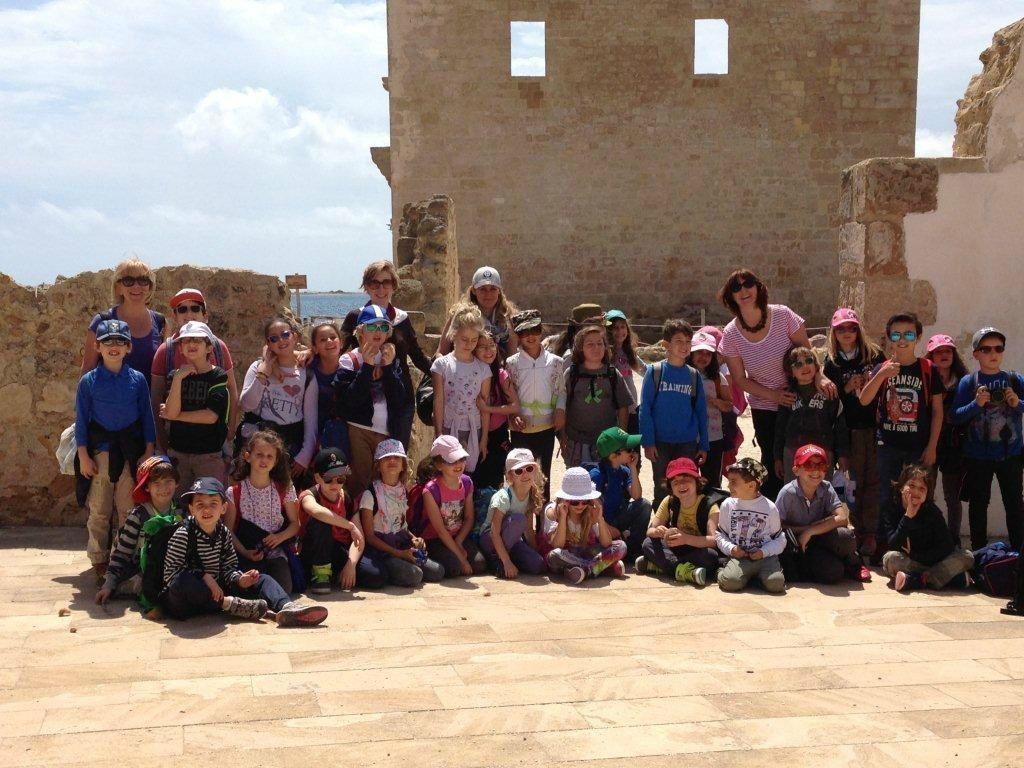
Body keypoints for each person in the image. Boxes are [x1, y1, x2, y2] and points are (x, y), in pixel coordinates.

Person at [719, 269, 834, 500]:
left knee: (807, 460)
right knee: (773, 464)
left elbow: (807, 352)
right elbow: (740, 379)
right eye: (736, 287)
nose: (743, 291)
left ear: (758, 287)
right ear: (730, 296)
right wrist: (775, 396)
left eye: (748, 284)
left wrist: (820, 377)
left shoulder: (783, 315)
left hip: (802, 400)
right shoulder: (731, 334)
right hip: (765, 407)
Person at [160, 477, 328, 626]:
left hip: (216, 595)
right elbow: (171, 575)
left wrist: (240, 580)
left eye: (213, 504)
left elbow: (228, 568)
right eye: (200, 505)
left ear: (223, 508)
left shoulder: (223, 533)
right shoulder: (183, 534)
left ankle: (286, 607)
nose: (207, 510)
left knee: (262, 578)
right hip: (186, 602)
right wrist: (204, 576)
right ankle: (230, 604)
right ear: (191, 509)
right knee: (184, 582)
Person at [75, 319, 156, 581]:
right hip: (101, 454)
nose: (114, 346)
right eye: (107, 341)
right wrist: (83, 455)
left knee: (127, 509)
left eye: (120, 341)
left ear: (128, 347)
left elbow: (147, 417)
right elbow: (81, 421)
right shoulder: (88, 382)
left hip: (129, 454)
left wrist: (148, 451)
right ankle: (99, 559)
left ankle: (123, 558)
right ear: (97, 347)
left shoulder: (137, 380)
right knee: (99, 509)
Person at [859, 312, 944, 551]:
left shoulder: (928, 369)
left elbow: (937, 411)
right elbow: (864, 399)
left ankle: (917, 547)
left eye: (908, 334)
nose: (902, 340)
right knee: (887, 496)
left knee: (918, 496)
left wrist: (932, 447)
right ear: (889, 338)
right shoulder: (883, 368)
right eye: (896, 335)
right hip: (888, 444)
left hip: (918, 446)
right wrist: (882, 374)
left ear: (917, 337)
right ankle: (887, 547)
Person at [340, 261, 433, 447]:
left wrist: (444, 371)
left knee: (396, 457)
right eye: (374, 283)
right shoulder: (355, 317)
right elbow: (338, 349)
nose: (381, 288)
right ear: (367, 287)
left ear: (394, 286)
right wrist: (308, 354)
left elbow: (417, 356)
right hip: (366, 403)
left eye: (386, 282)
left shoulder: (402, 319)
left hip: (399, 401)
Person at [952, 327, 1024, 551]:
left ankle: (1019, 554)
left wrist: (1017, 403)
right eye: (986, 349)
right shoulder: (969, 382)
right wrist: (976, 404)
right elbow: (955, 416)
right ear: (976, 354)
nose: (993, 353)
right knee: (978, 506)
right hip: (977, 456)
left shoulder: (1014, 379)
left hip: (1010, 455)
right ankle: (979, 554)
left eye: (998, 348)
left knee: (1015, 504)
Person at [823, 308, 885, 556]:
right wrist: (846, 387)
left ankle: (872, 533)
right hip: (850, 430)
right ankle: (858, 531)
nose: (847, 333)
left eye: (851, 328)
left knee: (875, 481)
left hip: (876, 427)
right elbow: (830, 399)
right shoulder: (832, 363)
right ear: (834, 333)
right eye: (841, 329)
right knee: (855, 483)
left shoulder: (873, 354)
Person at [151, 288, 239, 452]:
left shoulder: (218, 348)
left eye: (195, 308)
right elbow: (156, 397)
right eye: (182, 309)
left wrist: (230, 432)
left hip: (213, 443)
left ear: (205, 316)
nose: (189, 313)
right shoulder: (166, 351)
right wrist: (161, 438)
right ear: (175, 316)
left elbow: (231, 391)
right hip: (177, 442)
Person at [336, 305, 406, 501]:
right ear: (360, 331)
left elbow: (399, 399)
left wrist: (389, 367)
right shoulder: (349, 360)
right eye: (372, 326)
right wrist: (366, 367)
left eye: (383, 327)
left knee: (384, 481)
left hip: (386, 431)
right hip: (359, 429)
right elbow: (350, 400)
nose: (378, 332)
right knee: (360, 481)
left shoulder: (390, 358)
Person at [776, 444, 871, 584]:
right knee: (833, 573)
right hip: (797, 543)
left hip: (820, 539)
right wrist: (805, 530)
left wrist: (810, 531)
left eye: (821, 465)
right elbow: (777, 527)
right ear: (796, 470)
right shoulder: (787, 493)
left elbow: (842, 518)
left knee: (846, 536)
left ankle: (854, 563)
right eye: (809, 465)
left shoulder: (826, 487)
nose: (816, 470)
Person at [639, 319, 709, 505]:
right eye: (679, 341)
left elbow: (701, 412)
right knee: (662, 485)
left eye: (688, 341)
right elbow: (645, 409)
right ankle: (662, 521)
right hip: (660, 443)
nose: (684, 346)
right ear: (666, 344)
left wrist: (704, 444)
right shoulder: (655, 372)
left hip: (687, 442)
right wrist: (648, 442)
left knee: (687, 484)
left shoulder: (693, 375)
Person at [238, 316, 317, 476]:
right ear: (268, 344)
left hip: (290, 443)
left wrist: (305, 455)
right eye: (274, 338)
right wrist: (264, 373)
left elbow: (311, 418)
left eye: (285, 334)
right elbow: (246, 405)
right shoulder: (257, 367)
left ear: (295, 337)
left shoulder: (307, 375)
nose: (281, 340)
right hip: (259, 442)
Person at [157, 321, 230, 494]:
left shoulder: (217, 376)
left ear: (209, 347)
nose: (191, 344)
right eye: (186, 340)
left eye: (197, 340)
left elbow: (210, 416)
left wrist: (175, 416)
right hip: (179, 453)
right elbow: (170, 412)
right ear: (180, 348)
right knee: (179, 503)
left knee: (210, 502)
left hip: (208, 455)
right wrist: (178, 378)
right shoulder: (175, 376)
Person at [359, 440, 445, 586]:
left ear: (403, 465)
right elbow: (370, 537)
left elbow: (401, 525)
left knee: (438, 571)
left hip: (401, 544)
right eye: (387, 457)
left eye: (397, 457)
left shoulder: (403, 490)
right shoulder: (370, 494)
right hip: (382, 550)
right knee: (414, 576)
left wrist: (414, 538)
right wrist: (399, 554)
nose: (392, 461)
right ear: (378, 465)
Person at [95, 455, 180, 604]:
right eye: (156, 483)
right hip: (140, 569)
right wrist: (109, 584)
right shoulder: (138, 516)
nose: (163, 488)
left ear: (177, 483)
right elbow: (122, 553)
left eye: (168, 481)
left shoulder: (181, 512)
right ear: (147, 487)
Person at [225, 431, 300, 595]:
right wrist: (245, 552)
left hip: (275, 552)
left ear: (275, 461)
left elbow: (295, 524)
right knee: (248, 588)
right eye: (259, 455)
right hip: (247, 551)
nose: (264, 460)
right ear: (248, 456)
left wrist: (279, 537)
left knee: (284, 589)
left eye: (269, 456)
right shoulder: (234, 492)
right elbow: (228, 530)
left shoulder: (285, 488)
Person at [299, 448, 383, 593]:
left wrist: (351, 565)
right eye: (328, 479)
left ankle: (337, 575)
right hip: (314, 551)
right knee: (322, 521)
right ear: (317, 478)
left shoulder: (347, 499)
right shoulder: (309, 496)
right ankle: (320, 576)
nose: (335, 484)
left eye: (340, 479)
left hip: (338, 551)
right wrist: (350, 526)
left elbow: (359, 539)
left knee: (375, 576)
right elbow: (317, 511)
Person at [881, 464, 974, 592]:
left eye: (922, 488)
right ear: (902, 487)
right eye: (912, 486)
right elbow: (893, 544)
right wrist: (908, 516)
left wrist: (918, 556)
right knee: (890, 559)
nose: (916, 492)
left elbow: (947, 546)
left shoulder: (932, 511)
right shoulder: (891, 507)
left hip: (932, 560)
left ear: (926, 493)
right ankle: (946, 578)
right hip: (910, 562)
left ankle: (918, 580)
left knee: (967, 556)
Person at [506, 309, 565, 500]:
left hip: (546, 428)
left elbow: (560, 391)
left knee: (543, 475)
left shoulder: (555, 362)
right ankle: (522, 516)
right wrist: (513, 416)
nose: (530, 336)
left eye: (535, 330)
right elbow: (509, 395)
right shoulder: (512, 364)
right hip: (520, 430)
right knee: (520, 476)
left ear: (541, 330)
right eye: (524, 332)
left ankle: (542, 517)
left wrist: (560, 410)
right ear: (518, 335)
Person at [82, 257, 168, 385]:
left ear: (150, 287)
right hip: (110, 397)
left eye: (143, 280)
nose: (136, 286)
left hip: (149, 398)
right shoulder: (102, 321)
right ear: (118, 287)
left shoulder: (161, 323)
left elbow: (164, 370)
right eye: (128, 281)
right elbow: (88, 370)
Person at [636, 457, 721, 585]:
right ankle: (684, 571)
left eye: (686, 480)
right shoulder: (669, 501)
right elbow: (650, 531)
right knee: (648, 543)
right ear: (670, 486)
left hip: (696, 549)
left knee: (711, 556)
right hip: (675, 548)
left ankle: (661, 566)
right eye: (675, 482)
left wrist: (686, 539)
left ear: (697, 482)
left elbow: (713, 541)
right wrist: (657, 532)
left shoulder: (709, 506)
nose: (681, 485)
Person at [431, 304, 492, 473]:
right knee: (446, 472)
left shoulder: (483, 369)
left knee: (468, 473)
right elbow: (439, 399)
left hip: (473, 429)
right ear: (454, 334)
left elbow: (484, 406)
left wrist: (484, 439)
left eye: (474, 340)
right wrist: (438, 432)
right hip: (448, 426)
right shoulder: (441, 365)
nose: (469, 344)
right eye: (465, 339)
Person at [561, 325, 633, 467]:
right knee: (578, 479)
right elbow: (563, 407)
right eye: (590, 344)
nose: (596, 348)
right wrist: (563, 436)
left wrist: (621, 437)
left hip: (606, 442)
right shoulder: (571, 374)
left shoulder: (613, 374)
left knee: (605, 478)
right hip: (576, 441)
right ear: (580, 348)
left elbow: (623, 407)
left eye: (600, 344)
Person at [774, 346, 849, 482]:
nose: (805, 366)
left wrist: (842, 454)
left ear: (816, 365)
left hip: (823, 450)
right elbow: (780, 428)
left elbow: (840, 426)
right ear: (791, 371)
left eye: (809, 361)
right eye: (798, 364)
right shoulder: (787, 395)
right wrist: (778, 457)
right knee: (794, 490)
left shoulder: (829, 392)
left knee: (822, 490)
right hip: (793, 452)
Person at [542, 467, 627, 584]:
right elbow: (557, 545)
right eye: (575, 502)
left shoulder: (590, 511)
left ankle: (585, 570)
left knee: (621, 546)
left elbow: (606, 543)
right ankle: (600, 567)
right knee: (554, 555)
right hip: (565, 555)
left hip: (585, 552)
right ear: (565, 499)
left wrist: (600, 518)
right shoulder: (553, 511)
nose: (580, 506)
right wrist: (563, 517)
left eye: (585, 501)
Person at [715, 458, 786, 593]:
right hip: (739, 557)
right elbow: (720, 535)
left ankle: (753, 579)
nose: (728, 486)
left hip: (765, 558)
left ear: (751, 485)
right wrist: (732, 549)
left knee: (776, 584)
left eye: (733, 482)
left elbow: (780, 540)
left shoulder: (770, 508)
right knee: (731, 582)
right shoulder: (727, 504)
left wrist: (763, 552)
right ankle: (722, 572)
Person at [421, 436, 487, 577]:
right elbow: (440, 530)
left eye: (461, 459)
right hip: (436, 539)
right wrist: (462, 559)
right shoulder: (431, 490)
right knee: (455, 567)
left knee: (479, 564)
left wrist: (459, 541)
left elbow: (469, 517)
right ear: (439, 465)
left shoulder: (467, 482)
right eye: (452, 461)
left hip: (458, 536)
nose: (458, 464)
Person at [926, 333, 970, 541]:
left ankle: (953, 540)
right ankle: (929, 537)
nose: (944, 355)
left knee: (953, 497)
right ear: (931, 356)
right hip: (929, 443)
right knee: (926, 493)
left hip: (953, 446)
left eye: (948, 351)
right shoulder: (925, 379)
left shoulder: (964, 382)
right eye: (938, 352)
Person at [479, 449, 547, 578]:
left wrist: (536, 553)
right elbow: (494, 532)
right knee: (518, 520)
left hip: (512, 541)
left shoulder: (531, 495)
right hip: (490, 540)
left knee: (538, 564)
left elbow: (528, 530)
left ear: (535, 470)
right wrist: (507, 562)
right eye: (519, 471)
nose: (525, 474)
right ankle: (497, 560)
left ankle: (509, 558)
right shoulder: (503, 497)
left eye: (529, 469)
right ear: (510, 476)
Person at [589, 427, 651, 564]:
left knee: (644, 505)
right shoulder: (597, 475)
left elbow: (636, 496)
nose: (633, 452)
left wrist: (633, 467)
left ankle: (632, 551)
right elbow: (589, 510)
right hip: (600, 524)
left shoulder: (624, 471)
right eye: (628, 450)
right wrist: (607, 528)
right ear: (613, 455)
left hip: (617, 519)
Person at [472, 331, 520, 490]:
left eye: (492, 345)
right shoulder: (470, 373)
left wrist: (489, 409)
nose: (488, 351)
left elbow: (515, 406)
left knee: (495, 480)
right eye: (482, 347)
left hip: (497, 434)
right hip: (474, 431)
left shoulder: (500, 375)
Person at [439, 266, 519, 357]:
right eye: (482, 289)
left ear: (499, 291)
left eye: (493, 289)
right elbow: (441, 352)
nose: (488, 294)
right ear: (474, 291)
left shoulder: (509, 316)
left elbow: (513, 355)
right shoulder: (461, 315)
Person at [687, 330, 732, 485]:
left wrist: (717, 402)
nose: (703, 357)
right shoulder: (682, 375)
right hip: (688, 438)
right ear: (691, 353)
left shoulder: (718, 378)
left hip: (714, 437)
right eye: (699, 352)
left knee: (712, 483)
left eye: (708, 353)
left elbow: (729, 405)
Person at [307, 321, 349, 454]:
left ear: (341, 343)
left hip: (339, 435)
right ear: (315, 348)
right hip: (310, 431)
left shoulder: (349, 368)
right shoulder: (308, 367)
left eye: (333, 337)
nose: (329, 341)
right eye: (323, 339)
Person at [606, 309, 648, 438]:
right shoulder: (605, 354)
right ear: (608, 331)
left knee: (632, 447)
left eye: (623, 327)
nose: (620, 331)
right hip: (612, 411)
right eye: (615, 328)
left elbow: (646, 371)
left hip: (631, 409)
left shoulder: (629, 352)